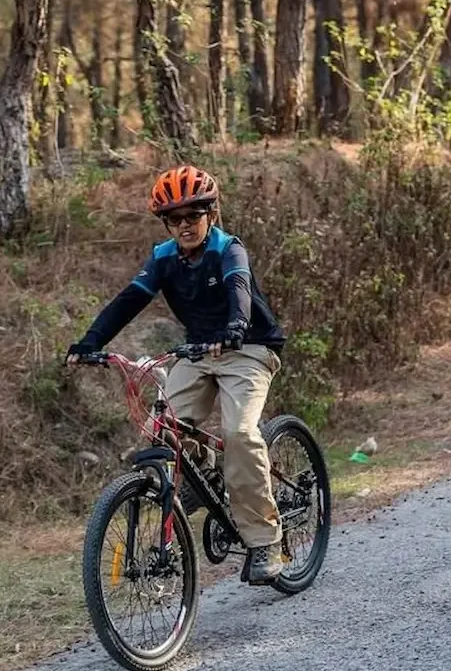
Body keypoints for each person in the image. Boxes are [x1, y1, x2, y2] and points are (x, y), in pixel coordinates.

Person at [66, 165, 287, 584]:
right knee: (160, 429)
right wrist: (90, 341)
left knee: (240, 433)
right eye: (174, 218)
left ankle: (264, 541)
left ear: (210, 213)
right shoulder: (164, 258)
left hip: (248, 348)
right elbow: (128, 300)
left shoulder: (228, 249)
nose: (184, 225)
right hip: (198, 351)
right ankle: (207, 472)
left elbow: (239, 290)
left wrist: (236, 327)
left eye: (193, 215)